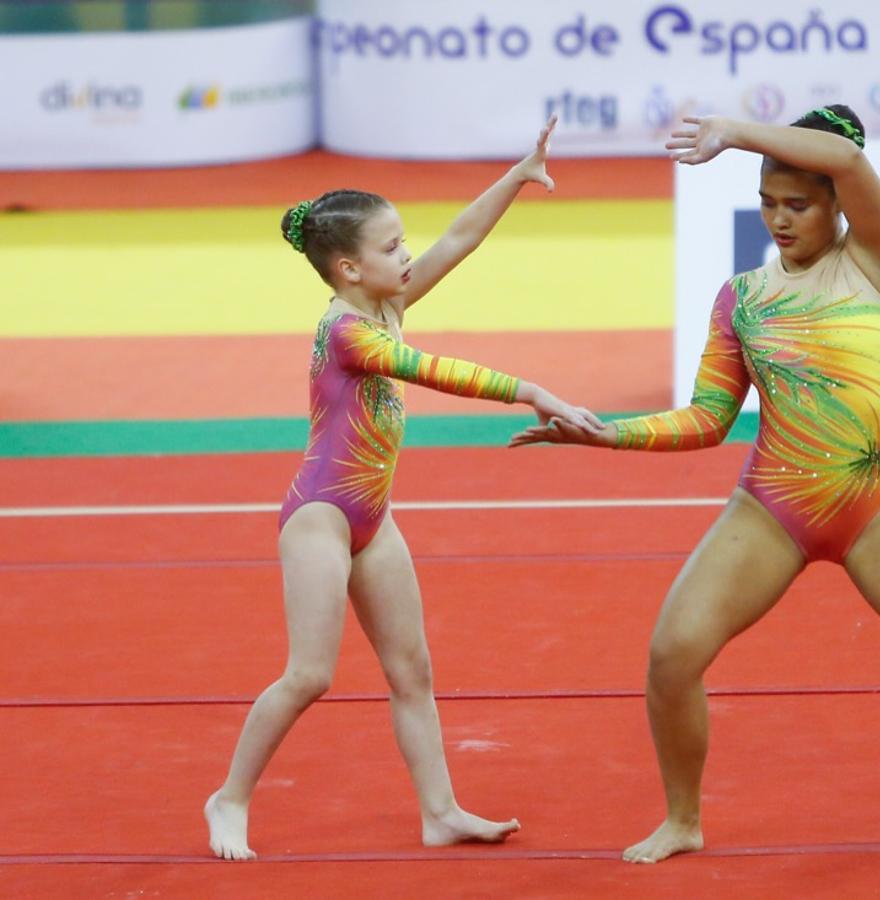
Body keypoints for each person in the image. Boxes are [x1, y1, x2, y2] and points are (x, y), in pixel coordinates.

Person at [511, 106, 880, 863]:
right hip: (772, 506)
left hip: (879, 509)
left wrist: (735, 129)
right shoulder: (743, 298)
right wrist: (608, 434)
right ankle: (682, 820)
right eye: (767, 203)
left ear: (834, 202)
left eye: (796, 204)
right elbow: (706, 419)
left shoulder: (877, 262)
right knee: (672, 655)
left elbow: (855, 164)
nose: (778, 219)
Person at [205, 115, 601, 861]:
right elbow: (440, 371)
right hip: (320, 517)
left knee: (411, 670)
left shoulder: (384, 303)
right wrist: (534, 390)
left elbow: (457, 240)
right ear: (348, 269)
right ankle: (227, 798)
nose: (407, 253)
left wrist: (516, 177)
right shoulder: (347, 331)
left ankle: (440, 812)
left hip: (372, 519)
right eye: (391, 247)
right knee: (310, 674)